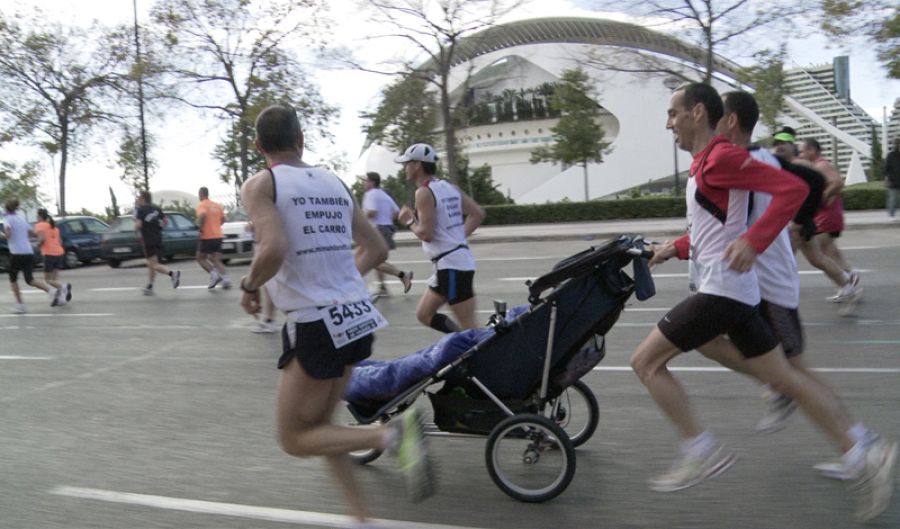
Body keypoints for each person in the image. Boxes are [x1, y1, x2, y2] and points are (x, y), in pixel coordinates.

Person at [634, 84, 895, 523]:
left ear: (698, 113)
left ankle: (699, 449)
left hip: (725, 292)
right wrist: (671, 248)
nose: (668, 124)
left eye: (673, 113)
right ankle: (863, 450)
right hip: (739, 293)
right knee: (783, 377)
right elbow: (713, 227)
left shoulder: (722, 157)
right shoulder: (708, 162)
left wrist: (755, 242)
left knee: (645, 363)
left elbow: (793, 190)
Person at [239, 104, 435, 527]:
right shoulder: (333, 181)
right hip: (357, 315)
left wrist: (249, 285)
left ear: (258, 146)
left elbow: (272, 249)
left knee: (294, 438)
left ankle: (391, 434)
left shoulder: (261, 184)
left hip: (316, 324)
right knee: (324, 429)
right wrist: (339, 283)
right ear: (301, 139)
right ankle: (362, 520)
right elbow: (376, 249)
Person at [396, 143, 486, 334]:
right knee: (424, 314)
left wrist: (408, 221)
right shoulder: (449, 187)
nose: (405, 168)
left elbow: (426, 234)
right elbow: (477, 214)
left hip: (452, 267)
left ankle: (470, 346)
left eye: (407, 163)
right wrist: (457, 239)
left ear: (417, 165)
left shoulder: (423, 192)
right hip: (449, 264)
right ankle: (461, 344)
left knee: (469, 328)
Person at [771, 130, 861, 308]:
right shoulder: (782, 165)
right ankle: (847, 283)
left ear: (792, 146)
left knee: (783, 259)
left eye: (783, 143)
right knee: (817, 258)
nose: (779, 147)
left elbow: (826, 183)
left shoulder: (800, 165)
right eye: (776, 144)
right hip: (801, 221)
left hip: (798, 222)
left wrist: (815, 206)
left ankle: (779, 298)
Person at [798, 138, 861, 303]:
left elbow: (837, 182)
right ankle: (848, 278)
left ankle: (847, 282)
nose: (801, 154)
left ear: (812, 150)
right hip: (826, 215)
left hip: (827, 216)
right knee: (830, 251)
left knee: (816, 251)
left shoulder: (821, 165)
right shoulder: (816, 166)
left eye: (803, 151)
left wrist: (821, 198)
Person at [360, 172, 413, 297]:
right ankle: (383, 287)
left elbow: (371, 212)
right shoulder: (384, 195)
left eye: (365, 181)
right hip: (387, 228)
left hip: (376, 229)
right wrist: (386, 220)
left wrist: (359, 220)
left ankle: (403, 275)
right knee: (376, 260)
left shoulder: (370, 194)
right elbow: (396, 213)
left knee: (369, 260)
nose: (364, 183)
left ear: (372, 182)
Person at [3, 198, 59, 313]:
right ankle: (51, 291)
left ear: (6, 208)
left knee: (13, 279)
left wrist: (2, 235)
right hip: (28, 252)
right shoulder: (21, 219)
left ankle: (20, 305)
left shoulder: (7, 219)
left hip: (16, 253)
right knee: (30, 279)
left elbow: (8, 235)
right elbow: (32, 233)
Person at [134, 191, 181, 296]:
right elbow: (165, 221)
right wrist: (159, 228)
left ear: (143, 198)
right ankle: (150, 286)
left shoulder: (140, 210)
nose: (138, 199)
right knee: (151, 264)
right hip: (158, 239)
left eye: (139, 198)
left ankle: (172, 274)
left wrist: (135, 232)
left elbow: (138, 225)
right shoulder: (156, 208)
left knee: (153, 264)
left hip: (148, 240)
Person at [34, 208, 71, 305]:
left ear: (40, 216)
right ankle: (61, 300)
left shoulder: (40, 225)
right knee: (54, 280)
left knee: (48, 280)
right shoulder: (53, 226)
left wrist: (38, 245)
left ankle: (64, 287)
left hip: (49, 254)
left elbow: (41, 239)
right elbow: (60, 241)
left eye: (37, 216)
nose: (36, 217)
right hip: (59, 253)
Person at [195, 186, 230, 289]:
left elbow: (202, 215)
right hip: (218, 235)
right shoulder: (216, 205)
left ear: (201, 194)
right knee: (215, 259)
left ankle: (214, 275)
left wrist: (201, 230)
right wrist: (216, 225)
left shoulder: (202, 205)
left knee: (200, 258)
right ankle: (226, 279)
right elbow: (225, 218)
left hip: (207, 236)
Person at [885, 139, 900, 219]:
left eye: (898, 143)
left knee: (894, 199)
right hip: (893, 181)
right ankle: (891, 215)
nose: (897, 145)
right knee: (893, 199)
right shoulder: (890, 155)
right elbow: (886, 168)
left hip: (895, 180)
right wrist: (887, 178)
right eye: (896, 144)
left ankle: (892, 214)